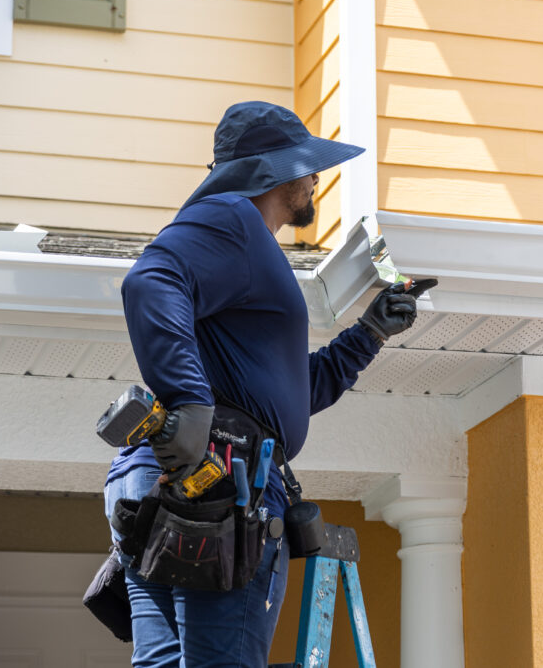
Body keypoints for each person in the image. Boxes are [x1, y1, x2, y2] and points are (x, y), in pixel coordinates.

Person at [103, 101, 424, 667]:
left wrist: (369, 334)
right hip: (219, 477)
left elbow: (283, 395)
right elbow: (150, 281)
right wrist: (190, 403)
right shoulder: (233, 218)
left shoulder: (241, 241)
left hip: (187, 474)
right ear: (274, 170)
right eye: (307, 166)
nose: (317, 178)